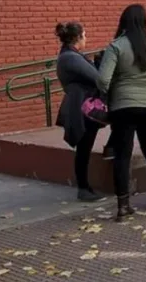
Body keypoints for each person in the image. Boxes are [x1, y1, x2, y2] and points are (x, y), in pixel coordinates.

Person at [94, 5, 146, 221]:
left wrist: (110, 90)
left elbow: (103, 80)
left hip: (123, 105)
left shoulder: (116, 46)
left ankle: (123, 204)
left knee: (123, 153)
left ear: (123, 21)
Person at [54, 21, 105, 202]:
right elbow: (97, 78)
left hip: (81, 104)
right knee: (84, 147)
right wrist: (100, 65)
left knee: (85, 147)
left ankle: (85, 187)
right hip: (83, 107)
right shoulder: (71, 58)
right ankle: (83, 188)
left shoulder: (70, 55)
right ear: (77, 38)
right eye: (84, 35)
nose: (86, 38)